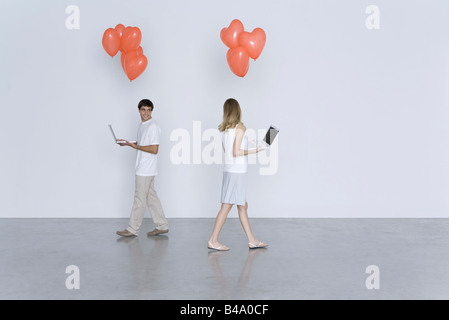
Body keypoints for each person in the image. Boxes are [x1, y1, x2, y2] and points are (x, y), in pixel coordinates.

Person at [208, 98, 268, 251]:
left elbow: (228, 151)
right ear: (237, 110)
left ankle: (252, 240)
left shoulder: (224, 130)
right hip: (237, 172)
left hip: (229, 170)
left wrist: (251, 143)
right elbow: (236, 152)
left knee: (242, 206)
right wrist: (256, 150)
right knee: (227, 206)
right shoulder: (241, 127)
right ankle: (213, 240)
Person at [116, 99, 169, 237]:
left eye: (149, 110)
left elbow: (154, 149)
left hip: (145, 169)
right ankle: (162, 225)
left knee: (139, 199)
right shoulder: (143, 125)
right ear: (139, 110)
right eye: (143, 109)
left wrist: (136, 146)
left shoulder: (153, 126)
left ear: (152, 111)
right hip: (145, 168)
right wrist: (128, 144)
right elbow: (144, 143)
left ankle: (132, 229)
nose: (146, 112)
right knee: (151, 198)